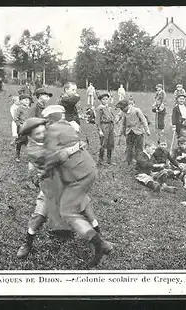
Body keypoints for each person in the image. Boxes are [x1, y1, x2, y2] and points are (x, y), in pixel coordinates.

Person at [42, 105, 113, 267]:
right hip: (86, 169)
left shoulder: (52, 130)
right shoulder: (68, 126)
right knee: (82, 203)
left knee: (67, 211)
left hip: (78, 175)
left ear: (49, 120)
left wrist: (42, 171)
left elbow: (56, 157)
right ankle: (103, 241)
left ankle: (99, 245)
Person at [15, 117, 72, 259]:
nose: (43, 135)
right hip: (49, 185)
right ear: (30, 137)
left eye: (43, 131)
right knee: (40, 214)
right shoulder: (33, 149)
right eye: (38, 134)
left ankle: (95, 239)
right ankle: (27, 242)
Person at [116, 99, 151, 166]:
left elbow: (144, 120)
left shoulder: (137, 110)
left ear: (127, 106)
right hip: (129, 132)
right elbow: (123, 124)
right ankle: (129, 162)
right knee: (129, 147)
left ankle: (140, 163)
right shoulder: (123, 113)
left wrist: (147, 130)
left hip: (138, 132)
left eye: (122, 108)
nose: (121, 110)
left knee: (139, 148)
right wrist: (119, 134)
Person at [96, 92, 116, 165]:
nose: (105, 101)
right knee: (103, 143)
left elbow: (112, 117)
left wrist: (113, 129)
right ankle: (100, 160)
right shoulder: (100, 108)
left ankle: (109, 160)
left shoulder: (108, 108)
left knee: (110, 143)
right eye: (103, 99)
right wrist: (100, 130)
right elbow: (97, 120)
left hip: (110, 126)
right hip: (104, 126)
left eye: (107, 99)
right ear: (101, 100)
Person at [14, 94, 32, 162]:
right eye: (25, 100)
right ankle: (17, 154)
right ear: (21, 101)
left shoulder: (29, 109)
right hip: (21, 127)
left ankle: (30, 156)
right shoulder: (19, 108)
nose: (27, 101)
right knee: (20, 141)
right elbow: (16, 118)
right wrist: (19, 124)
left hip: (28, 128)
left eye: (28, 100)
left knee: (28, 141)